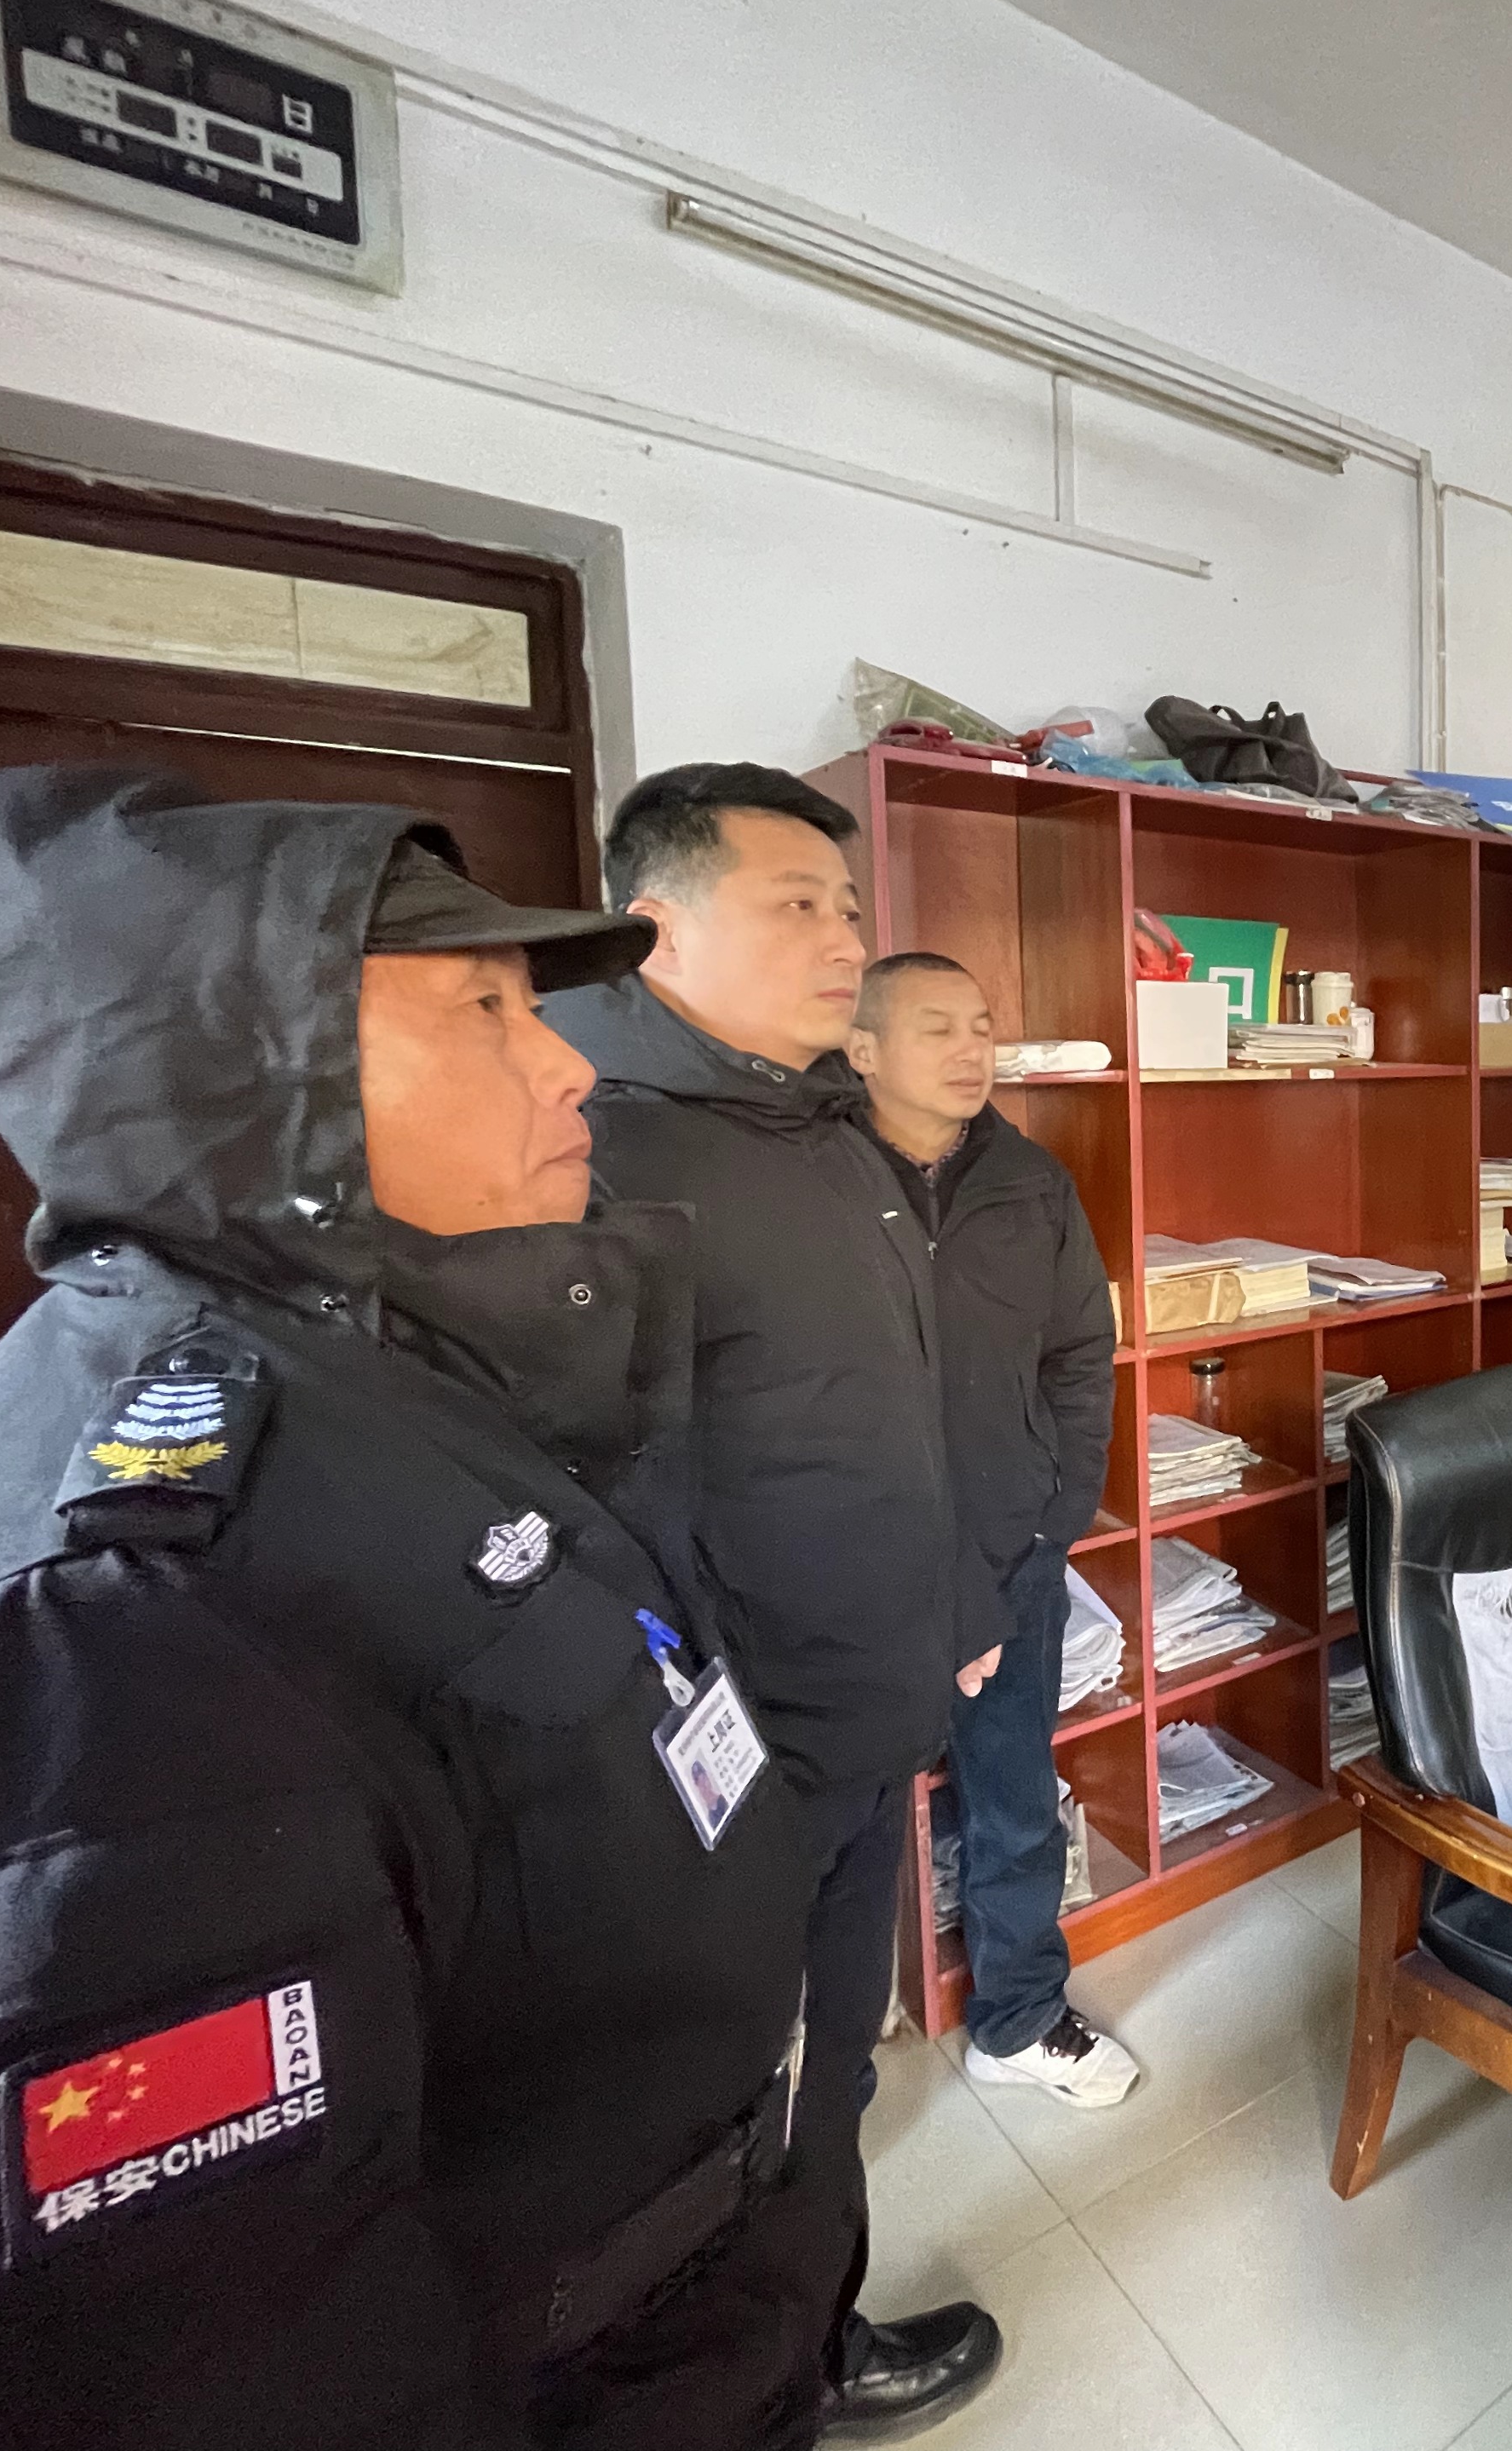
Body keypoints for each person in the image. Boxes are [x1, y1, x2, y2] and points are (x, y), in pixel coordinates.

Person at [0, 766, 830, 2448]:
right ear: (255, 1084)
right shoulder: (113, 1614)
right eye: (482, 1012)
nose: (566, 1063)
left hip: (685, 2309)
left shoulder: (391, 1366)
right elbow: (220, 2363)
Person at [542, 766, 1003, 2438]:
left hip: (859, 1703)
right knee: (747, 2089)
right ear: (655, 928)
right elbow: (594, 1495)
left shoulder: (811, 1121)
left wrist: (946, 1607)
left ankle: (812, 2334)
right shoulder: (601, 1148)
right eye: (795, 904)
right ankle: (759, 2381)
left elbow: (854, 1417)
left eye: (850, 906)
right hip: (743, 1752)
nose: (842, 940)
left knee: (826, 2064)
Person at [845, 953, 1139, 2106]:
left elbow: (1080, 1357)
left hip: (1008, 1546)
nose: (972, 1050)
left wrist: (1057, 1513)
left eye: (981, 1026)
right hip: (855, 1559)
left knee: (1013, 1796)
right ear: (863, 1049)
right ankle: (822, 2058)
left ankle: (1017, 2018)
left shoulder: (1030, 1183)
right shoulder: (812, 1177)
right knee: (844, 1812)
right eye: (937, 1028)